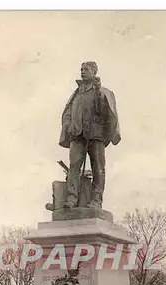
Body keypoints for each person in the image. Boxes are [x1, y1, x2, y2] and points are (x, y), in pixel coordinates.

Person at [59, 61, 121, 209]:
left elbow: (104, 111)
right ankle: (72, 199)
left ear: (94, 72)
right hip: (77, 135)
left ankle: (96, 200)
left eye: (86, 69)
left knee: (98, 168)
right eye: (81, 69)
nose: (82, 71)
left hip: (96, 135)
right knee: (74, 167)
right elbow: (67, 113)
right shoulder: (76, 94)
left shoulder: (103, 92)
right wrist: (68, 126)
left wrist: (98, 91)